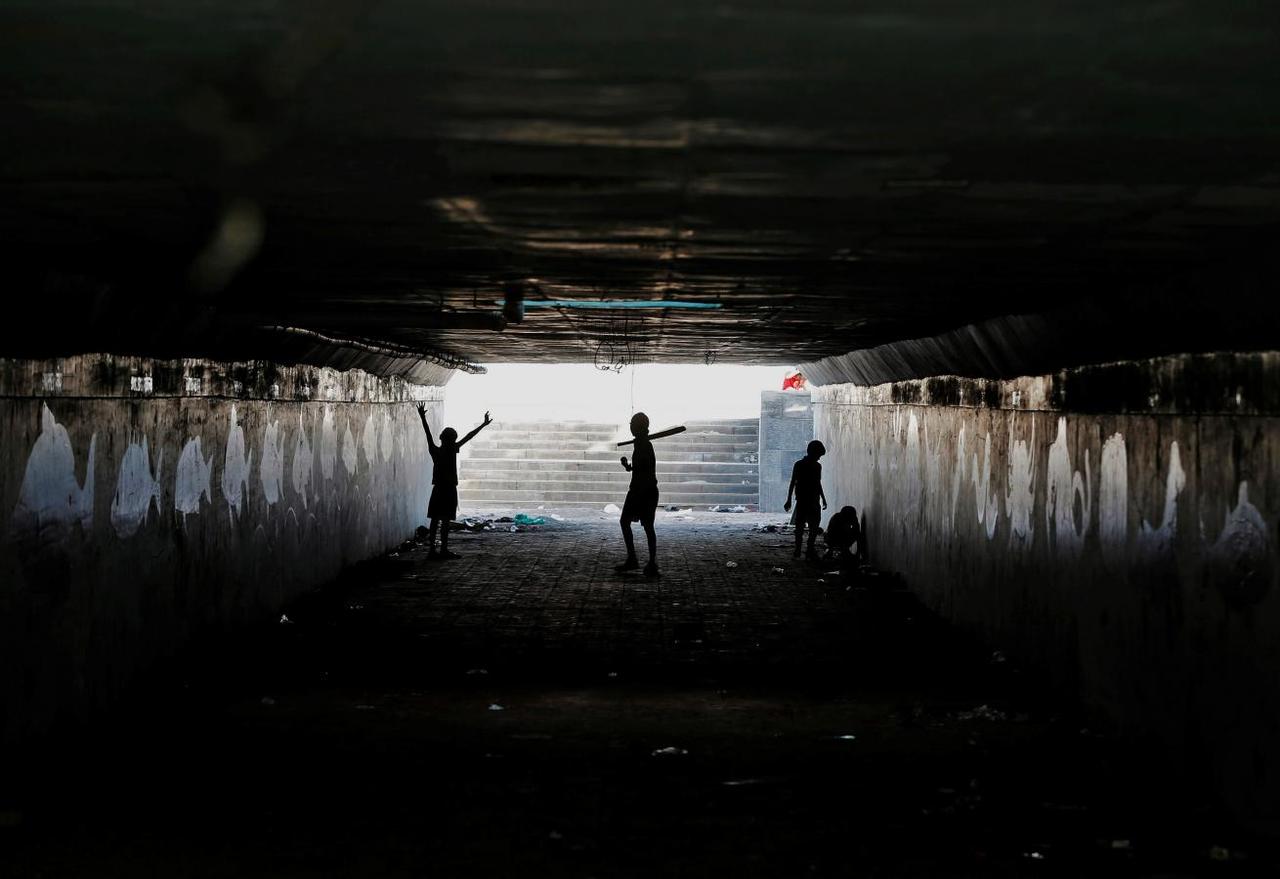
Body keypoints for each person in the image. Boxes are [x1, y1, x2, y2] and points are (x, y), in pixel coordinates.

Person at [416, 402, 492, 560]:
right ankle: (443, 549)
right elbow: (469, 436)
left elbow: (428, 434)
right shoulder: (452, 450)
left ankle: (432, 551)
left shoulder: (435, 451)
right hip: (449, 489)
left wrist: (423, 417)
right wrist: (483, 424)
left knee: (435, 520)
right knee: (445, 521)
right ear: (453, 440)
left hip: (437, 489)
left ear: (441, 438)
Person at [616, 412, 659, 578]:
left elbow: (644, 468)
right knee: (628, 522)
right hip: (641, 490)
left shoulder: (645, 445)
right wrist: (628, 466)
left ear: (639, 427)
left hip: (644, 491)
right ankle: (637, 559)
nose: (631, 428)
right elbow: (639, 468)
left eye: (633, 425)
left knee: (646, 526)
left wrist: (632, 464)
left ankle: (650, 562)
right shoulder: (641, 444)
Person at [784, 439, 827, 560]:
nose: (819, 458)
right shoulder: (814, 466)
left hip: (804, 499)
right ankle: (808, 549)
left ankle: (800, 549)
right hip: (811, 500)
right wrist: (823, 498)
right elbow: (816, 483)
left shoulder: (800, 464)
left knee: (801, 526)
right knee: (812, 526)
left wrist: (789, 500)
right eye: (818, 455)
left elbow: (794, 482)